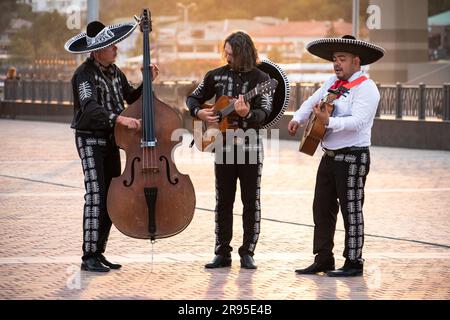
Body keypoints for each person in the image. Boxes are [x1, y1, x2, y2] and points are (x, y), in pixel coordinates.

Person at [64, 20, 158, 272]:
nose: (115, 48)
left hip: (111, 140)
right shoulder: (83, 74)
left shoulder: (116, 72)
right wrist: (120, 119)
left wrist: (147, 82)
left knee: (110, 196)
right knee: (95, 195)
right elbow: (90, 108)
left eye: (114, 44)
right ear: (97, 51)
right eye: (110, 45)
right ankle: (89, 256)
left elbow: (130, 97)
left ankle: (99, 252)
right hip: (89, 139)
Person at [288, 35, 385, 277]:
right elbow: (312, 100)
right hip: (329, 154)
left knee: (351, 210)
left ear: (356, 61)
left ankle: (354, 261)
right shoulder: (332, 82)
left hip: (353, 157)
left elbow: (359, 122)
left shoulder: (367, 88)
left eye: (342, 59)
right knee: (321, 208)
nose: (337, 64)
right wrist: (298, 118)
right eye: (334, 59)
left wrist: (329, 121)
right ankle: (323, 259)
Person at [186, 31, 274, 269]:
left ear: (244, 53)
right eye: (225, 53)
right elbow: (192, 98)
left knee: (250, 201)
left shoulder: (262, 79)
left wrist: (248, 114)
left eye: (231, 55)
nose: (227, 58)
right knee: (223, 201)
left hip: (250, 147)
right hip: (223, 147)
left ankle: (248, 252)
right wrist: (200, 113)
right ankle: (222, 252)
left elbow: (264, 113)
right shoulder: (214, 75)